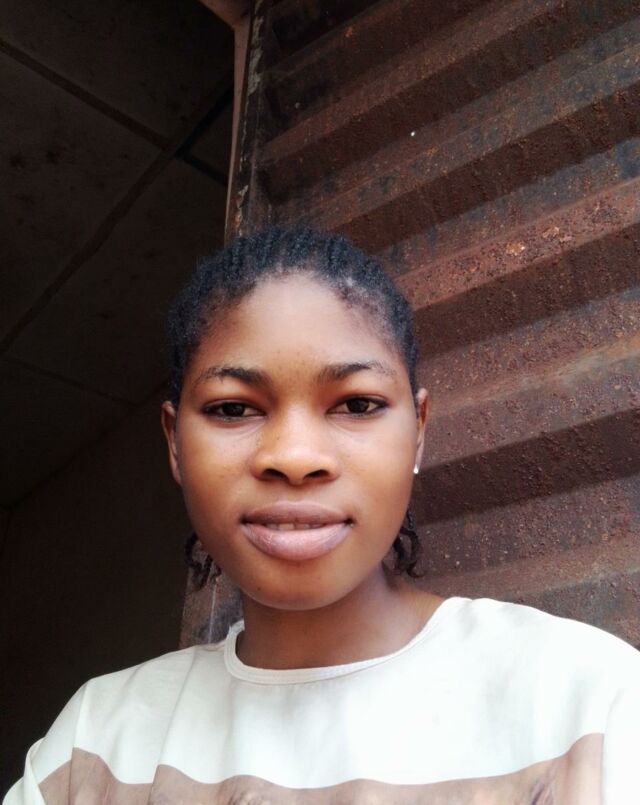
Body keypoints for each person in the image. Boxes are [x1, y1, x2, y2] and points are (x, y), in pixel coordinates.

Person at [5, 227, 640, 804]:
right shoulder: (95, 743)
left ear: (418, 431)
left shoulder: (584, 703)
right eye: (233, 408)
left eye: (357, 404)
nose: (294, 457)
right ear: (175, 442)